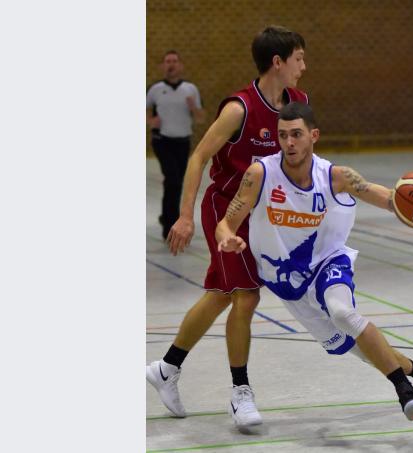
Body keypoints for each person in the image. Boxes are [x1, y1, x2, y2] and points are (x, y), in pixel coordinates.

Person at [214, 102, 413, 423]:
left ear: (313, 136)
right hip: (287, 280)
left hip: (329, 262)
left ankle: (405, 392)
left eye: (297, 135)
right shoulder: (260, 173)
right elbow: (227, 222)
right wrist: (226, 237)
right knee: (357, 349)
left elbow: (389, 199)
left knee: (343, 313)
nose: (289, 143)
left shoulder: (337, 176)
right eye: (283, 135)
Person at [146, 26, 309, 428]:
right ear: (278, 62)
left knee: (221, 295)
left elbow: (301, 161)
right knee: (247, 297)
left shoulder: (300, 104)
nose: (304, 67)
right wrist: (184, 216)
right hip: (225, 212)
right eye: (299, 59)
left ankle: (166, 368)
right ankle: (240, 393)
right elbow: (199, 158)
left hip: (264, 216)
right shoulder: (239, 108)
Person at [147, 50, 206, 239]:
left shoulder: (190, 89)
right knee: (172, 179)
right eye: (167, 61)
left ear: (180, 65)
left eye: (174, 61)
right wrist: (150, 121)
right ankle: (170, 225)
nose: (170, 64)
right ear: (163, 66)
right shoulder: (155, 89)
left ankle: (166, 217)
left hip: (183, 142)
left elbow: (201, 119)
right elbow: (145, 111)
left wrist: (193, 108)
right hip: (162, 141)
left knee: (177, 183)